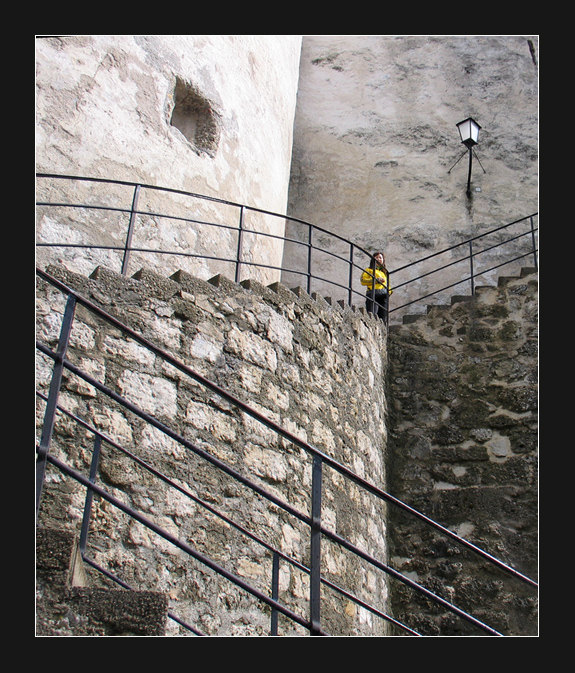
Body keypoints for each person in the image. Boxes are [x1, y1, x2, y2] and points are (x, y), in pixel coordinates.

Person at [361, 251, 392, 321]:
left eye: (380, 257)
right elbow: (363, 281)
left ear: (383, 260)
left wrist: (389, 292)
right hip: (373, 293)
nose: (378, 259)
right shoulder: (369, 270)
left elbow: (388, 284)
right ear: (373, 259)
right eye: (376, 257)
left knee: (383, 317)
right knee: (372, 315)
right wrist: (376, 280)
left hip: (384, 295)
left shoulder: (384, 272)